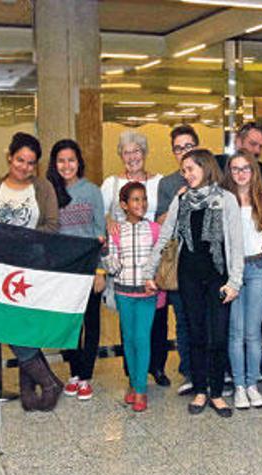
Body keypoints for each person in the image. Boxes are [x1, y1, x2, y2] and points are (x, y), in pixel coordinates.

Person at [145, 149, 243, 418]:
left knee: (219, 336)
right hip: (188, 276)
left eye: (191, 169)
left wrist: (235, 281)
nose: (186, 175)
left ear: (206, 167)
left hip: (219, 278)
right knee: (196, 334)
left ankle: (217, 393)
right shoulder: (182, 199)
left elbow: (236, 243)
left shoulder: (227, 200)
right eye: (184, 170)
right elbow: (165, 236)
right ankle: (201, 389)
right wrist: (149, 270)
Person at [0, 132, 62, 412]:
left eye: (31, 163)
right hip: (1, 269)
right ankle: (44, 383)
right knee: (12, 326)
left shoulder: (43, 188)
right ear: (9, 156)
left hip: (33, 267)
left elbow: (53, 226)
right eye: (20, 160)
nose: (24, 167)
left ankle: (34, 388)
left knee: (23, 327)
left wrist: (20, 236)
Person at [101, 131, 170, 387]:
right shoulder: (111, 183)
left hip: (152, 252)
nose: (132, 157)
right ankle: (134, 373)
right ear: (121, 155)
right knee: (130, 327)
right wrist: (109, 221)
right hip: (125, 261)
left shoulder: (159, 181)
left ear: (144, 153)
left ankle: (158, 367)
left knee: (158, 320)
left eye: (136, 151)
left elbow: (167, 211)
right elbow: (101, 212)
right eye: (127, 152)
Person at [222, 151, 262, 409]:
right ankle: (238, 386)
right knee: (235, 332)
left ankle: (252, 384)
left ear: (254, 171)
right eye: (235, 169)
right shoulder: (224, 200)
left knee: (252, 332)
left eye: (246, 168)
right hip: (232, 271)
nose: (241, 173)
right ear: (229, 172)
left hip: (258, 267)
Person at [47, 139, 105, 401]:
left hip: (88, 268)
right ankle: (73, 373)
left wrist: (100, 271)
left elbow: (99, 233)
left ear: (79, 162)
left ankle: (86, 377)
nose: (66, 165)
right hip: (62, 271)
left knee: (90, 323)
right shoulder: (49, 190)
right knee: (68, 325)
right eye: (61, 161)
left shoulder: (92, 191)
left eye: (71, 160)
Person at [104, 182, 161, 412]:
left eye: (144, 199)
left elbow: (160, 259)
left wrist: (152, 277)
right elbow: (111, 262)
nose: (141, 204)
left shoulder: (155, 229)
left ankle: (141, 390)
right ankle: (133, 382)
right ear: (124, 205)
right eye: (136, 200)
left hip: (147, 293)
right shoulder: (117, 230)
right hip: (123, 292)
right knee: (128, 339)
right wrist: (110, 258)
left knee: (141, 338)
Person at [156, 125, 198, 395]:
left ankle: (213, 371)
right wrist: (178, 204)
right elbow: (160, 221)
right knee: (183, 320)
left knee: (206, 319)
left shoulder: (213, 176)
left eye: (189, 146)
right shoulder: (168, 183)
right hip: (179, 263)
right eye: (179, 148)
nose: (184, 151)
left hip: (208, 263)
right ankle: (190, 372)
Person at [215, 122, 262, 190]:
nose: (258, 150)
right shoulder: (216, 164)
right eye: (253, 144)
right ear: (238, 142)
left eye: (261, 146)